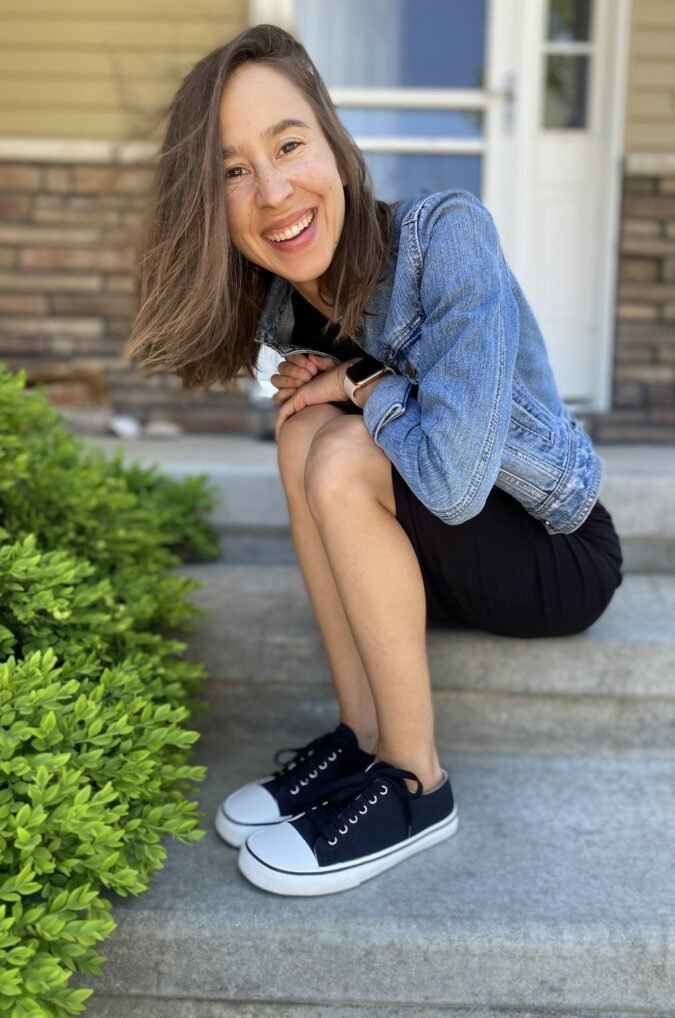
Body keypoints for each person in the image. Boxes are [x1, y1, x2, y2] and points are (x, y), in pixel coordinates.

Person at [128, 24, 623, 898]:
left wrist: (363, 383)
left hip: (553, 551)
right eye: (233, 171)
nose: (273, 189)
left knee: (344, 449)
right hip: (451, 570)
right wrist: (344, 387)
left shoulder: (449, 238)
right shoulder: (291, 304)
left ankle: (416, 782)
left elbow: (453, 483)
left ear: (335, 141)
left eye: (287, 145)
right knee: (298, 431)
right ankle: (362, 737)